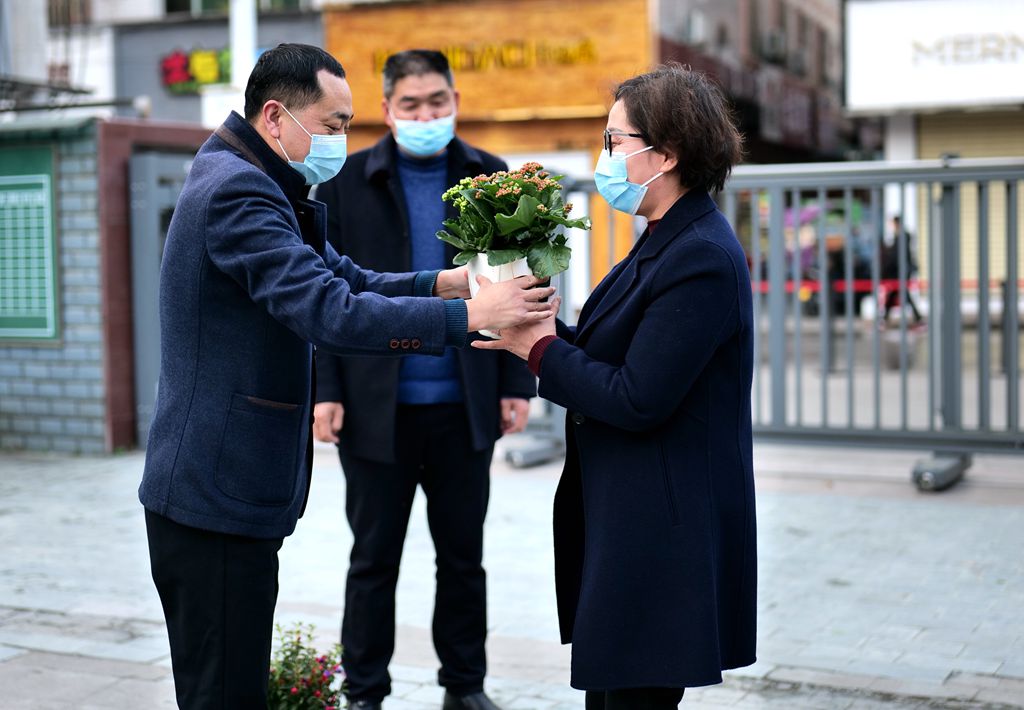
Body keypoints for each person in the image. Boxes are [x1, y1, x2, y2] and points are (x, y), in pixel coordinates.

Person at [137, 43, 555, 710]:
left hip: (225, 490)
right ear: (277, 117)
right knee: (222, 692)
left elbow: (348, 276)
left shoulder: (259, 177)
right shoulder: (239, 191)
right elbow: (331, 312)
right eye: (333, 125)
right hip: (213, 492)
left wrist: (445, 282)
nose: (340, 140)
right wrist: (470, 314)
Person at [475, 64, 757, 709]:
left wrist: (540, 348)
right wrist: (538, 325)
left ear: (667, 153)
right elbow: (614, 350)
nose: (604, 157)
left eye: (614, 141)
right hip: (628, 513)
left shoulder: (701, 257)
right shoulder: (664, 237)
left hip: (663, 527)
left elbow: (638, 397)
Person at [312, 50, 534, 710]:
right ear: (387, 110)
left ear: (455, 99)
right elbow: (323, 292)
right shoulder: (348, 183)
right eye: (410, 105)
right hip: (374, 408)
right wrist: (325, 388)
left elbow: (522, 282)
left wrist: (517, 383)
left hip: (465, 405)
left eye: (437, 101)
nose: (425, 115)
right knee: (373, 561)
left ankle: (464, 689)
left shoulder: (492, 178)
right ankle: (365, 693)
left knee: (463, 560)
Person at [881, 215, 924, 325]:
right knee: (896, 293)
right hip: (898, 271)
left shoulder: (902, 237)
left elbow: (899, 255)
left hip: (902, 271)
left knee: (901, 293)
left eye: (893, 224)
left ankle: (918, 319)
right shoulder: (900, 236)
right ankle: (885, 318)